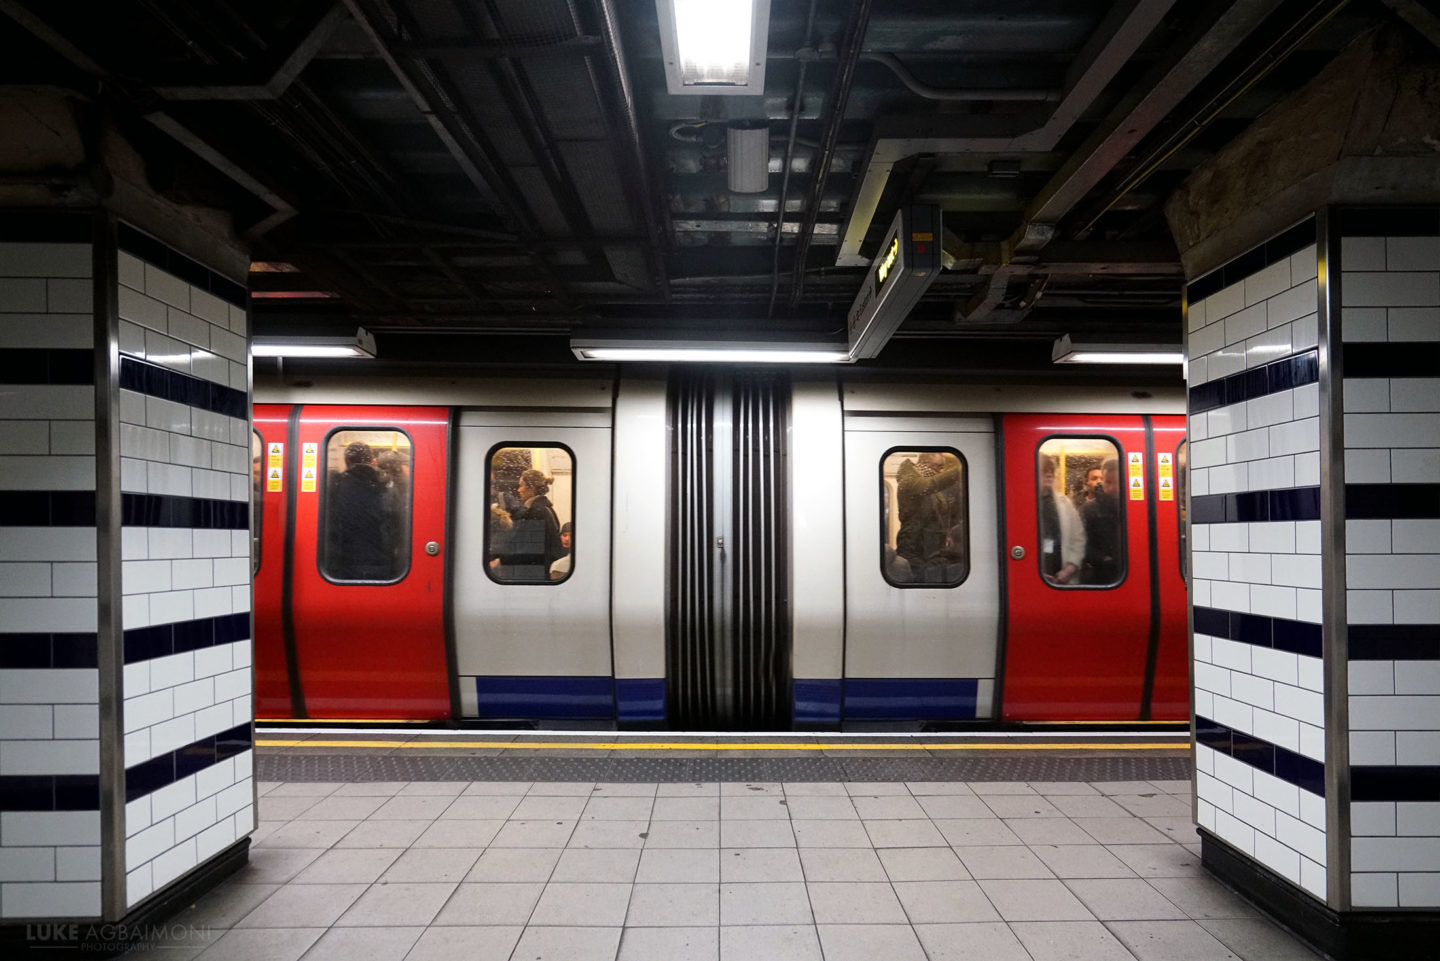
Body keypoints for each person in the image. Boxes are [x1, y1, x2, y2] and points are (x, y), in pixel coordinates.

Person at [327, 441, 395, 580]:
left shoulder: (335, 486)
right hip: (381, 561)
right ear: (372, 461)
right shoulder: (386, 486)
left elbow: (331, 525)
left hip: (345, 561)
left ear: (346, 461)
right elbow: (395, 524)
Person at [894, 451, 962, 583]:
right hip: (913, 546)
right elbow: (929, 485)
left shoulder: (934, 490)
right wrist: (959, 470)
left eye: (943, 467)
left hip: (931, 548)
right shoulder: (908, 482)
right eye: (938, 466)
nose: (941, 471)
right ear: (924, 463)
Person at [493, 468, 564, 581]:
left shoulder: (536, 512)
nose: (518, 490)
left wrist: (502, 559)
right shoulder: (546, 509)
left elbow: (531, 550)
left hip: (533, 574)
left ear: (531, 488)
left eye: (521, 485)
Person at [1038, 454, 1084, 585]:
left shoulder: (1065, 503)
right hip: (1033, 575)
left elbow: (1078, 539)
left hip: (1063, 576)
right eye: (1044, 471)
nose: (1049, 475)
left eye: (1051, 471)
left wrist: (1070, 568)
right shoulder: (1020, 502)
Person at [1079, 457, 1122, 584]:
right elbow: (1081, 542)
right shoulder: (1088, 509)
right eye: (1108, 482)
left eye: (1117, 482)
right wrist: (1104, 559)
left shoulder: (1135, 507)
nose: (1112, 487)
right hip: (1100, 575)